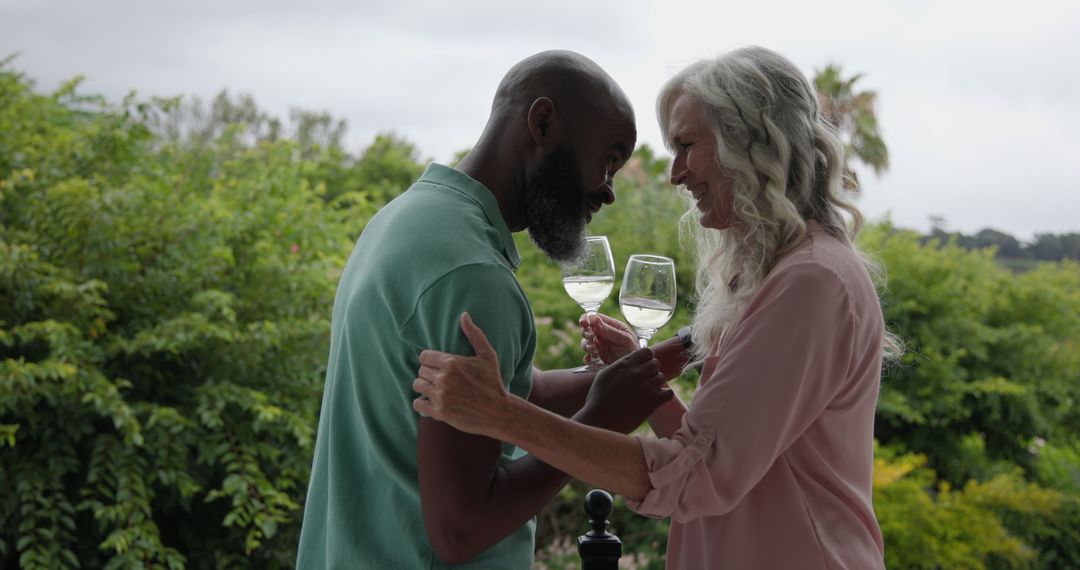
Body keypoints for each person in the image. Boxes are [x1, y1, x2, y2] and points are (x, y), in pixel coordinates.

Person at [413, 46, 900, 569]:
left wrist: (503, 416)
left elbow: (697, 476)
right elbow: (719, 451)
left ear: (751, 143)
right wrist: (648, 387)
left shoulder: (811, 281)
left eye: (687, 146)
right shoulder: (793, 270)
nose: (675, 174)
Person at [296, 50, 674, 569]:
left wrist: (681, 351)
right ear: (542, 123)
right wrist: (599, 419)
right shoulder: (473, 275)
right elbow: (460, 529)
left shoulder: (409, 219)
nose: (609, 190)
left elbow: (521, 392)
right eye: (608, 159)